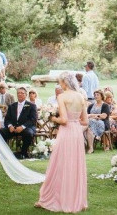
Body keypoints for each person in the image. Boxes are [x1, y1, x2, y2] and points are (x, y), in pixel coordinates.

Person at [35, 72, 89, 212]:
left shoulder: (62, 96)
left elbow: (64, 120)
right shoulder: (81, 97)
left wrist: (52, 118)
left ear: (65, 82)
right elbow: (85, 121)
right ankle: (75, 200)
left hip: (66, 132)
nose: (60, 85)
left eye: (60, 82)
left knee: (60, 163)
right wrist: (75, 123)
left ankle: (57, 199)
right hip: (77, 132)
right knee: (74, 164)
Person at [0, 87, 37, 159]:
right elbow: (7, 119)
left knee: (29, 133)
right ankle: (6, 153)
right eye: (18, 93)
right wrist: (10, 126)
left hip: (26, 128)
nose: (20, 94)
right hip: (13, 128)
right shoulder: (12, 106)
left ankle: (23, 153)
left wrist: (22, 127)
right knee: (1, 132)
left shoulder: (31, 106)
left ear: (26, 95)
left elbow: (33, 120)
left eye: (22, 93)